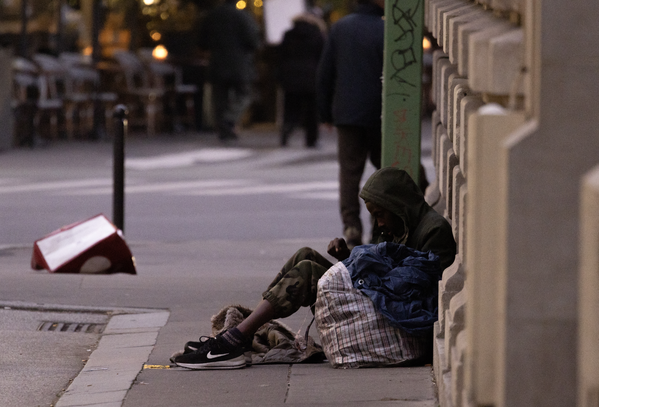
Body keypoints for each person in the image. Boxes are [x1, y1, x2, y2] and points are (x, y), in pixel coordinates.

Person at [173, 167, 457, 370]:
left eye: (381, 215)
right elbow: (389, 266)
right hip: (384, 295)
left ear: (398, 205)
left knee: (309, 272)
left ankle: (235, 340)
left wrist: (358, 262)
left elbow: (414, 288)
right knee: (305, 255)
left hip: (399, 313)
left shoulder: (433, 231)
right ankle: (247, 331)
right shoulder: (401, 223)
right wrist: (350, 257)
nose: (379, 224)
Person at [316, 0, 386, 248]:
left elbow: (325, 73)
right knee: (385, 171)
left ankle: (351, 225)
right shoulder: (386, 29)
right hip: (380, 112)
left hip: (347, 112)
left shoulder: (340, 28)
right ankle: (381, 225)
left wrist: (325, 113)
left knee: (349, 172)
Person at [197, 0, 262, 141]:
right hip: (239, 65)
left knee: (220, 99)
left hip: (217, 63)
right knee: (244, 95)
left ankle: (224, 129)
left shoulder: (212, 16)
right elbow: (253, 41)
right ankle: (229, 120)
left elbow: (202, 42)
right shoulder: (243, 17)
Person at [277, 13, 326, 148]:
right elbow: (322, 57)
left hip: (291, 77)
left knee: (291, 108)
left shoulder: (288, 35)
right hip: (311, 76)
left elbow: (281, 56)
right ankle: (311, 140)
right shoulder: (317, 35)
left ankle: (286, 132)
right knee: (311, 111)